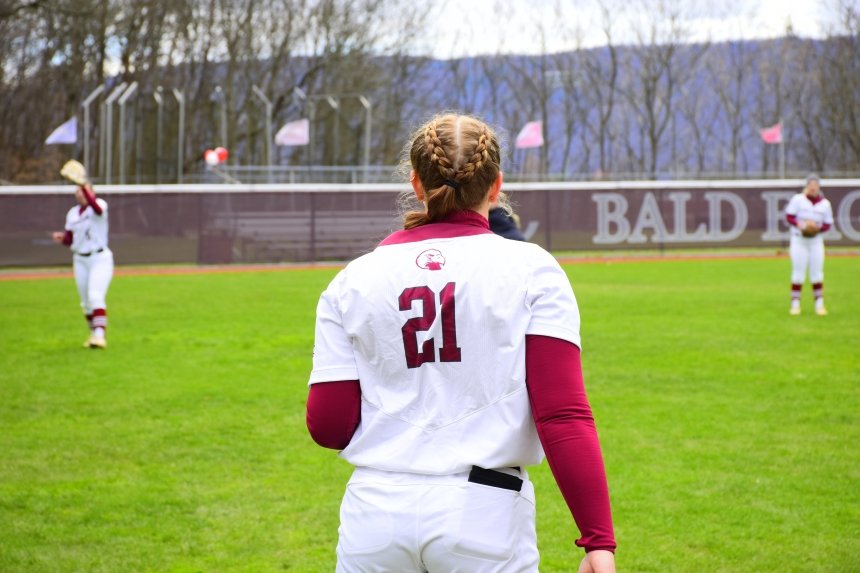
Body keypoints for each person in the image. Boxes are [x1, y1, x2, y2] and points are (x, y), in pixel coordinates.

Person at [306, 113, 616, 572]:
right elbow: (561, 412)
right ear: (496, 186)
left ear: (416, 183)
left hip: (374, 514)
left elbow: (328, 425)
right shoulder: (533, 268)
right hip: (485, 511)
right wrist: (597, 539)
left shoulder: (351, 280)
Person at [52, 174, 114, 348]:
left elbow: (97, 208)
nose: (80, 193)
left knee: (95, 296)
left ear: (91, 191)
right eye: (78, 190)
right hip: (80, 259)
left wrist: (86, 188)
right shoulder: (72, 213)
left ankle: (100, 336)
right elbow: (71, 240)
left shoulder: (99, 205)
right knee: (86, 303)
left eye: (83, 190)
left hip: (99, 258)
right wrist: (62, 238)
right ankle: (94, 334)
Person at [784, 173, 834, 316]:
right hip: (799, 240)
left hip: (816, 241)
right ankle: (795, 304)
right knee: (798, 273)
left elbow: (828, 223)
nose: (813, 188)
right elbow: (789, 216)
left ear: (818, 187)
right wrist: (801, 225)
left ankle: (819, 305)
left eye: (815, 185)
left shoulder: (825, 204)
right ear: (806, 186)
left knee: (817, 273)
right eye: (810, 185)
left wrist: (817, 229)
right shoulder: (798, 200)